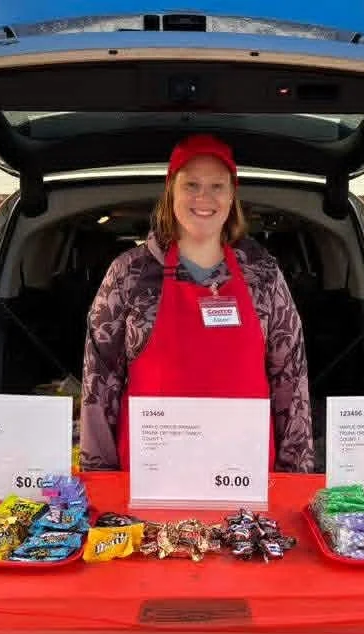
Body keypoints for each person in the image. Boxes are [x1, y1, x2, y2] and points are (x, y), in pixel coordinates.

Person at [80, 134, 314, 473]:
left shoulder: (263, 275)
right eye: (191, 184)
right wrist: (99, 477)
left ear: (232, 195)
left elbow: (291, 379)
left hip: (243, 478)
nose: (203, 197)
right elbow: (98, 381)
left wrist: (295, 476)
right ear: (171, 191)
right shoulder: (129, 273)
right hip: (152, 477)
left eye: (217, 186)